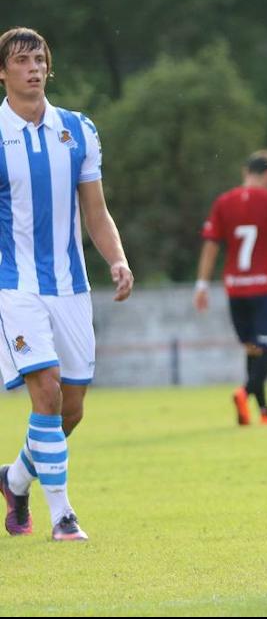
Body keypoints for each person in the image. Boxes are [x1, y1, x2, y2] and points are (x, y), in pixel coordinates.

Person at [0, 27, 134, 541]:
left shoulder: (78, 129)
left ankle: (14, 479)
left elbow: (95, 212)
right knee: (47, 390)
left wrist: (117, 260)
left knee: (69, 410)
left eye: (39, 59)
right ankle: (63, 516)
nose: (33, 68)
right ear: (4, 72)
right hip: (16, 285)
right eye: (21, 60)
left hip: (72, 286)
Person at [194, 150, 267, 425]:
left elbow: (211, 245)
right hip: (265, 286)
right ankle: (244, 393)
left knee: (253, 348)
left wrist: (202, 284)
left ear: (246, 171)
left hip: (235, 288)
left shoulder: (224, 202)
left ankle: (263, 412)